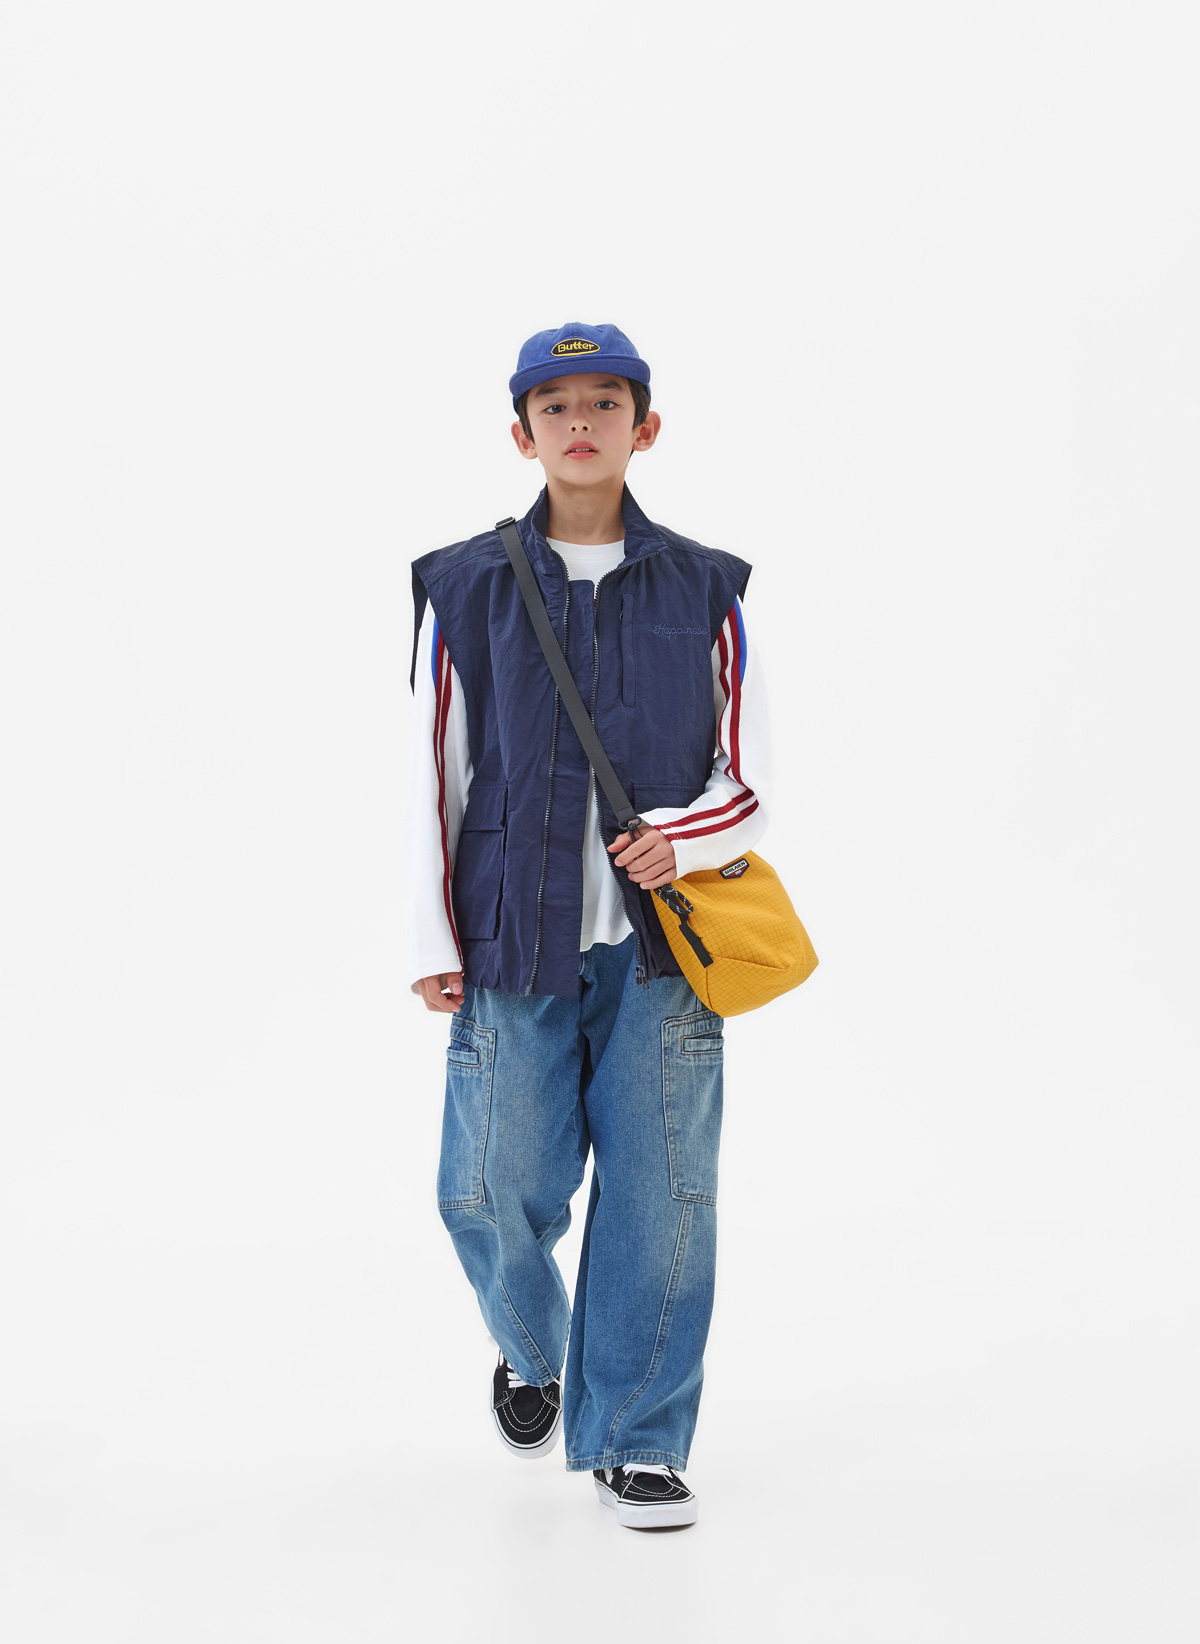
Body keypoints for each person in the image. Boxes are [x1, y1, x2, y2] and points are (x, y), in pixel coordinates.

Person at [404, 321, 772, 1530]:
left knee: (665, 1198)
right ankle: (535, 1347)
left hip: (665, 949)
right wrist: (432, 941)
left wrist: (686, 837)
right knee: (490, 1183)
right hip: (512, 936)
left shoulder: (708, 585)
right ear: (522, 435)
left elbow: (749, 771)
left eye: (604, 403)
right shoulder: (462, 585)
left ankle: (639, 1437)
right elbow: (433, 770)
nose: (579, 423)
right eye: (554, 406)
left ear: (643, 428)